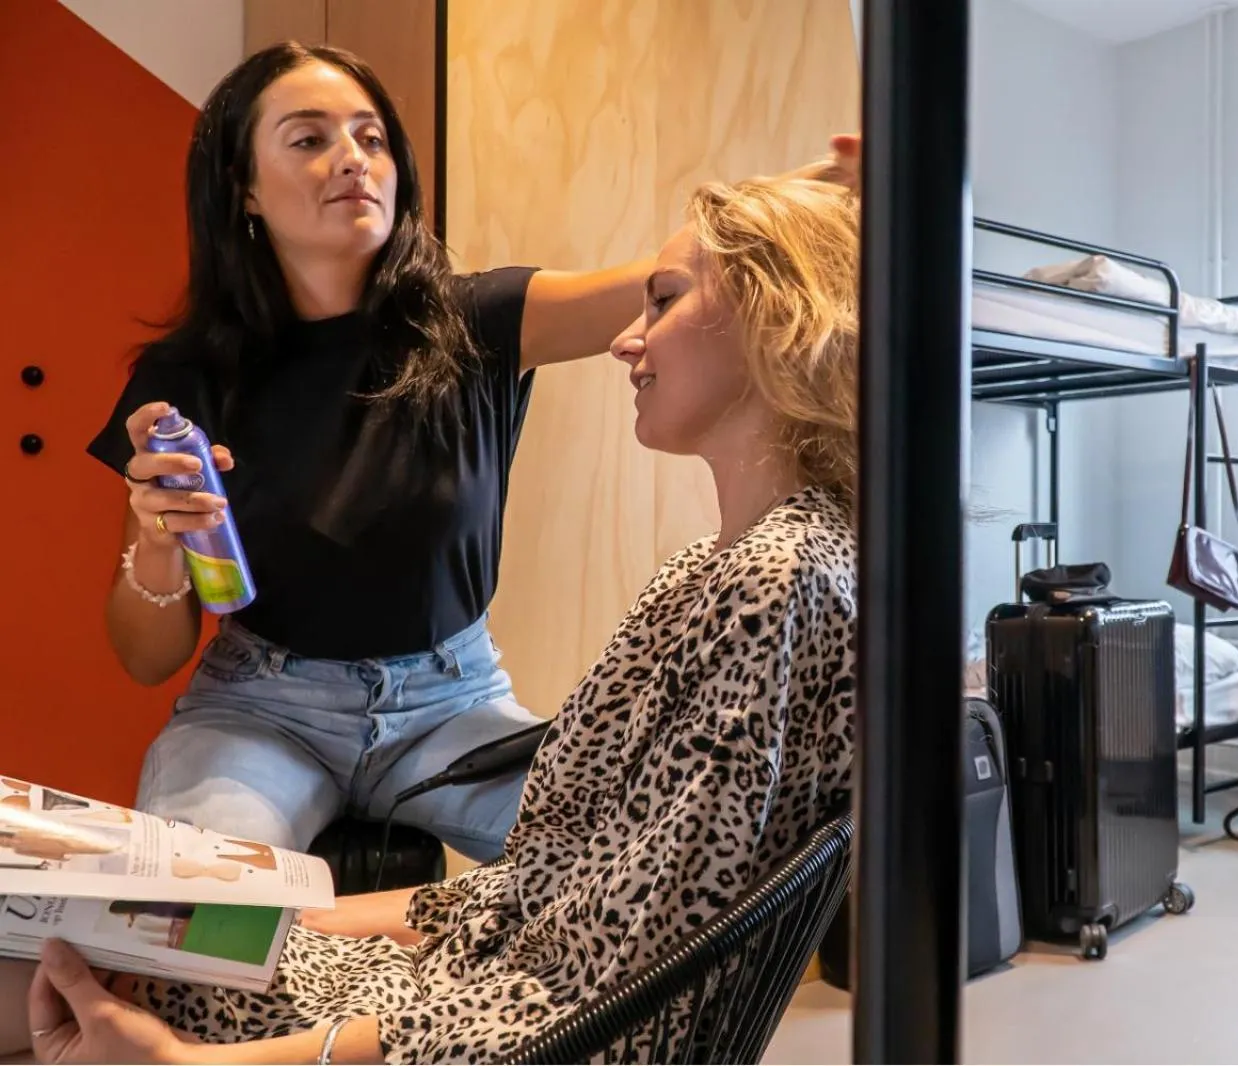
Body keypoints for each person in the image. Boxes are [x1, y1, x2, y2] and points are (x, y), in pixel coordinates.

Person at [2, 172, 862, 1064]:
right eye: (305, 138)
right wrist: (294, 919)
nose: (626, 338)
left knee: (78, 974)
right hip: (367, 836)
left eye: (664, 299)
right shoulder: (720, 569)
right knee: (125, 945)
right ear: (245, 190)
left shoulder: (772, 585)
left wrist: (197, 1065)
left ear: (781, 317)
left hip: (498, 1008)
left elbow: (605, 980)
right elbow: (551, 888)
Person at [83, 40, 860, 861]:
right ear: (243, 186)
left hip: (454, 708)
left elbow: (691, 279)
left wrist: (816, 203)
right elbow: (146, 658)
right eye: (310, 139)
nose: (354, 159)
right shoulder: (187, 379)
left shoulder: (479, 322)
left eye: (371, 137)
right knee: (188, 905)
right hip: (260, 711)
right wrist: (159, 540)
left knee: (630, 860)